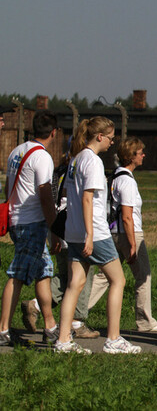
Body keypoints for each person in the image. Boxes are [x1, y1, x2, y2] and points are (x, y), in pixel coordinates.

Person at [55, 116, 141, 354]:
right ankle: (113, 339)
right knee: (118, 280)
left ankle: (63, 340)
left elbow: (71, 195)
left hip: (73, 231)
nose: (112, 142)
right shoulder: (92, 161)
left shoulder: (76, 159)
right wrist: (90, 235)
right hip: (93, 232)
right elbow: (87, 198)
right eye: (111, 138)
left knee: (75, 283)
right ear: (100, 136)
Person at [87, 137, 157, 332]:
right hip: (129, 234)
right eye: (140, 153)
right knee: (143, 276)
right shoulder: (128, 182)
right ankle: (145, 321)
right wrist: (132, 244)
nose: (143, 155)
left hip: (113, 232)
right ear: (131, 157)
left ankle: (78, 310)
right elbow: (127, 216)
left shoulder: (114, 177)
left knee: (104, 276)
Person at [21, 144, 99, 339]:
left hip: (60, 226)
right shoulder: (79, 169)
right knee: (80, 275)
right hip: (71, 227)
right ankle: (76, 321)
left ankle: (36, 305)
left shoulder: (60, 171)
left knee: (66, 276)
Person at [0, 110, 59, 346]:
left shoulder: (17, 151)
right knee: (18, 274)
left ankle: (50, 326)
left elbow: (8, 186)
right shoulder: (42, 157)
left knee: (44, 271)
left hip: (17, 219)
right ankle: (3, 329)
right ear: (54, 133)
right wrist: (54, 230)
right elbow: (45, 196)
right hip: (32, 223)